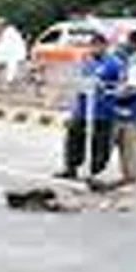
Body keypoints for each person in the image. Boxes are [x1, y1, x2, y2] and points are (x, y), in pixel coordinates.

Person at [55, 33, 122, 182]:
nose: (94, 49)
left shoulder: (114, 64)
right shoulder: (88, 62)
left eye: (98, 46)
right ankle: (71, 167)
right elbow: (82, 83)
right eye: (92, 46)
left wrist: (108, 90)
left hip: (103, 110)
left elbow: (119, 85)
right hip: (83, 109)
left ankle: (95, 172)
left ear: (105, 46)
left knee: (100, 142)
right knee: (74, 136)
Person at [109, 29, 136, 188]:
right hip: (127, 110)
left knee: (130, 144)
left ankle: (131, 178)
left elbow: (133, 87)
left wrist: (114, 95)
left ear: (134, 43)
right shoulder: (131, 60)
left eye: (127, 41)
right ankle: (127, 176)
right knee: (124, 144)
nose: (123, 44)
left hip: (132, 110)